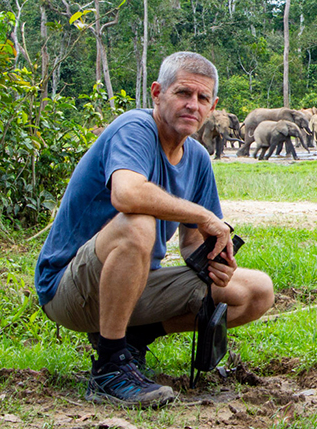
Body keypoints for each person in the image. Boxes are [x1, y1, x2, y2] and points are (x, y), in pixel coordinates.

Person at [34, 52, 274, 407]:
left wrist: (213, 262)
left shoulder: (197, 158)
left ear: (213, 106)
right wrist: (204, 215)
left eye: (202, 98)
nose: (193, 105)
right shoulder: (134, 127)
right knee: (137, 222)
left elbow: (192, 242)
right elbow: (127, 194)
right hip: (70, 289)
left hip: (135, 285)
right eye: (182, 93)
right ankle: (108, 368)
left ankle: (132, 338)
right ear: (157, 93)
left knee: (256, 290)